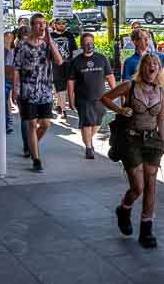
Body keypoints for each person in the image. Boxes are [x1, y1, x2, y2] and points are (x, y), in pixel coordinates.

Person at [104, 49, 164, 244]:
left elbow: (161, 119)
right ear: (143, 67)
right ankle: (124, 208)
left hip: (152, 142)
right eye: (148, 63)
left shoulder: (161, 92)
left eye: (155, 64)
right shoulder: (130, 86)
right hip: (131, 139)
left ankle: (146, 230)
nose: (152, 67)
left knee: (151, 186)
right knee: (138, 187)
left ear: (159, 69)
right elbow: (105, 98)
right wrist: (120, 109)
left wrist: (163, 143)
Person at [7, 14, 65, 171]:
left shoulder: (47, 43)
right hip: (28, 89)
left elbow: (59, 61)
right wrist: (14, 89)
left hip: (45, 89)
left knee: (45, 123)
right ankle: (36, 159)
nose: (41, 27)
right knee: (32, 123)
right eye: (38, 24)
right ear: (32, 26)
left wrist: (50, 41)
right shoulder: (23, 45)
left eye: (44, 24)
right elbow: (17, 68)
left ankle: (32, 146)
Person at [64, 31, 116, 159]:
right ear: (81, 45)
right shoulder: (76, 62)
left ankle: (88, 139)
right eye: (86, 43)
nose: (89, 45)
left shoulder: (101, 58)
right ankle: (88, 148)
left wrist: (114, 92)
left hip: (101, 97)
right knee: (87, 122)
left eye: (91, 43)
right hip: (83, 98)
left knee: (97, 121)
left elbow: (110, 76)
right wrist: (70, 99)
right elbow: (70, 82)